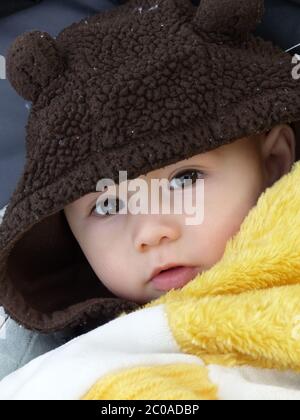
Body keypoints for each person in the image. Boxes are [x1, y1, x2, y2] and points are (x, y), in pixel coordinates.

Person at [0, 0, 300, 396]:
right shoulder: (52, 354)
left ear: (275, 161)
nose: (151, 230)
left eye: (184, 179)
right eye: (108, 205)